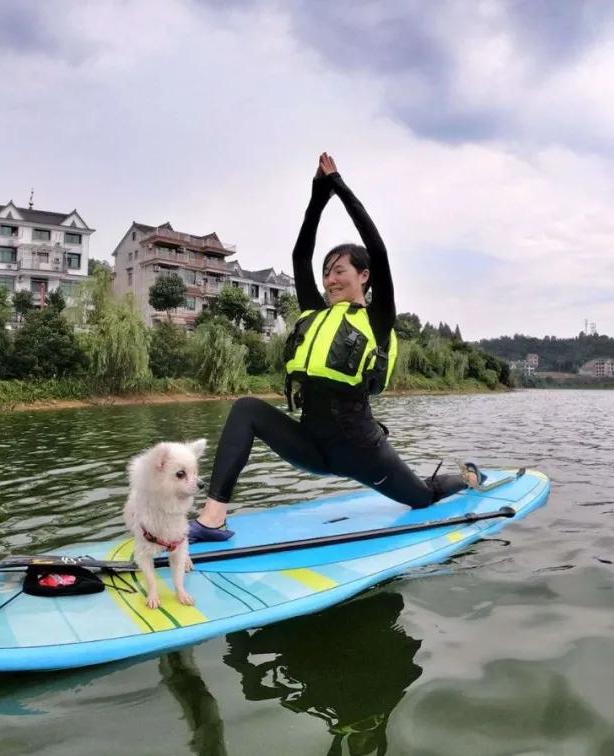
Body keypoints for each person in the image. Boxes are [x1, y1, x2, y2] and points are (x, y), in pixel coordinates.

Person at [189, 153, 480, 542]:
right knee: (246, 409)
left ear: (364, 275)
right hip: (312, 447)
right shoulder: (315, 313)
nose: (329, 279)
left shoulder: (376, 319)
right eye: (327, 273)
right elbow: (300, 255)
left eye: (339, 270)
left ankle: (467, 477)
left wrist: (338, 184)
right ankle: (212, 519)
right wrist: (317, 194)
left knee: (422, 498)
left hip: (361, 451)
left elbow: (378, 249)